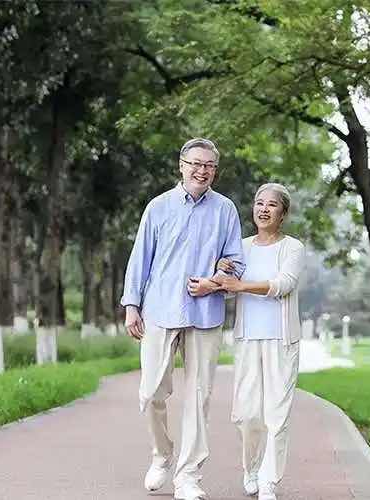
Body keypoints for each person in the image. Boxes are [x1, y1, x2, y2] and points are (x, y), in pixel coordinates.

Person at [121, 138, 245, 500]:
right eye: (195, 163)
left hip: (205, 315)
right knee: (151, 391)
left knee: (199, 396)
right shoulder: (158, 207)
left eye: (208, 165)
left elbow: (235, 260)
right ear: (181, 165)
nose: (201, 170)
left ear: (215, 171)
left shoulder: (225, 210)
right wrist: (132, 305)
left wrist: (214, 281)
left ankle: (188, 476)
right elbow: (140, 257)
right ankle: (162, 453)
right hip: (160, 310)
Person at [212, 183, 305, 500]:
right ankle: (250, 469)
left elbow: (284, 284)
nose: (264, 209)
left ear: (283, 213)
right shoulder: (241, 246)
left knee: (277, 414)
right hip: (248, 338)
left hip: (282, 341)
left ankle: (269, 481)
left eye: (272, 205)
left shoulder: (293, 248)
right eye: (259, 203)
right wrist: (220, 271)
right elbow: (225, 287)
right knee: (248, 414)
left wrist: (240, 286)